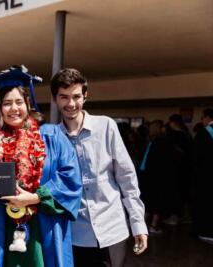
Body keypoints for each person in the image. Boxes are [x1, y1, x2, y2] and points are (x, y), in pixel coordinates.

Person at [0, 65, 82, 267]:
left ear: (28, 104)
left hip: (44, 228)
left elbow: (70, 178)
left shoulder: (51, 136)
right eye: (7, 103)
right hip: (3, 229)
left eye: (18, 102)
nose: (14, 108)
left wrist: (35, 197)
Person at [50, 68, 148, 267]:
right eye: (64, 97)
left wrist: (138, 224)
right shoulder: (51, 138)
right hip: (74, 234)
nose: (71, 103)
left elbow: (127, 178)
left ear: (85, 96)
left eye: (76, 96)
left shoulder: (106, 126)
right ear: (55, 99)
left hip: (112, 230)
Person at [193, 108, 213, 244]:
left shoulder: (203, 133)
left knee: (206, 203)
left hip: (205, 176)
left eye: (202, 117)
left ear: (207, 118)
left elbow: (195, 157)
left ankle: (206, 232)